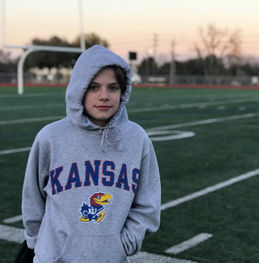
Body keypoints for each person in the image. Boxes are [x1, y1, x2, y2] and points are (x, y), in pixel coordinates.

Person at [21, 45, 161, 263]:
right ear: (79, 89)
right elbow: (33, 200)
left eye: (112, 88)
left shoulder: (137, 139)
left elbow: (147, 203)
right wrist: (42, 245)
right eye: (94, 87)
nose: (104, 96)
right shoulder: (50, 137)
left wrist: (125, 243)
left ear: (122, 92)